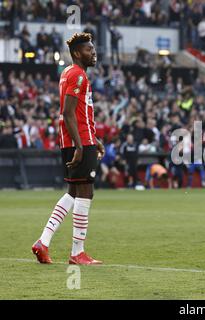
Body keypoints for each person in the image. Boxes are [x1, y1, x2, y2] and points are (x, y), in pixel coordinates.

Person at [32, 33, 104, 264]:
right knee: (85, 192)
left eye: (93, 49)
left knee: (73, 192)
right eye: (88, 50)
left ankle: (43, 242)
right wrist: (82, 146)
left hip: (77, 139)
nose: (93, 53)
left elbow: (79, 112)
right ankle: (77, 253)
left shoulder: (68, 73)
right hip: (78, 141)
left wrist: (95, 138)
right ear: (76, 53)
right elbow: (67, 113)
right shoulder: (78, 75)